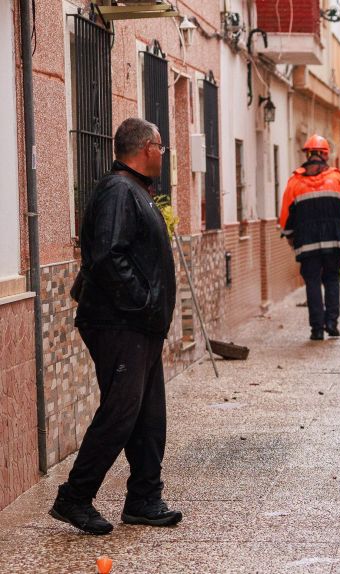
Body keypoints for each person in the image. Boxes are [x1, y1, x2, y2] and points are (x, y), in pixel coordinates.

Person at [51, 118, 181, 535]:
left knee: (148, 413)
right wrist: (144, 303)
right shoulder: (118, 191)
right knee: (121, 413)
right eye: (160, 146)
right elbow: (107, 256)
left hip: (139, 327)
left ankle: (145, 498)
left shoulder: (135, 191)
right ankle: (75, 497)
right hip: (120, 324)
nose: (163, 153)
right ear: (146, 148)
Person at [279, 134, 340, 340]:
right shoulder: (338, 178)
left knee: (312, 282)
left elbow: (285, 217)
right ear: (326, 154)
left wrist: (289, 235)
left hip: (306, 243)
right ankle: (332, 322)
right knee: (332, 279)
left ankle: (316, 329)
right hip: (333, 240)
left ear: (307, 153)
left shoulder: (295, 182)